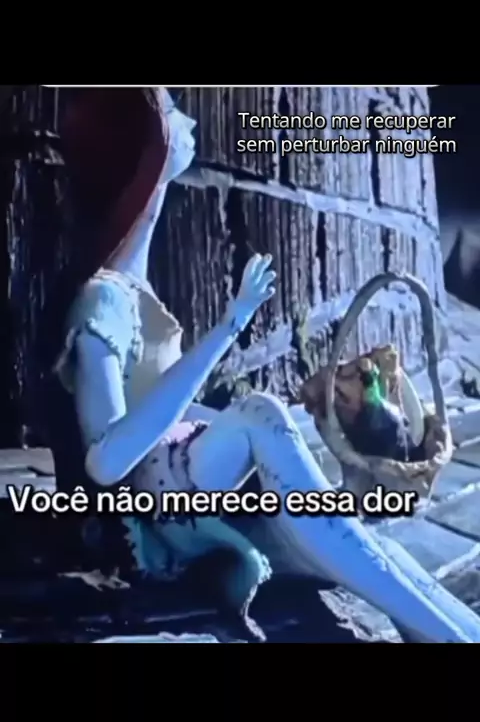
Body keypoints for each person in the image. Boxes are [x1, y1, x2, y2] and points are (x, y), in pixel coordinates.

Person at [50, 85, 480, 643]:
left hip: (190, 478)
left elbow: (167, 405)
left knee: (374, 546)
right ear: (150, 152)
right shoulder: (102, 303)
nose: (191, 123)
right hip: (157, 510)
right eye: (173, 112)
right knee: (261, 415)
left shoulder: (136, 291)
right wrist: (228, 329)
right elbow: (108, 462)